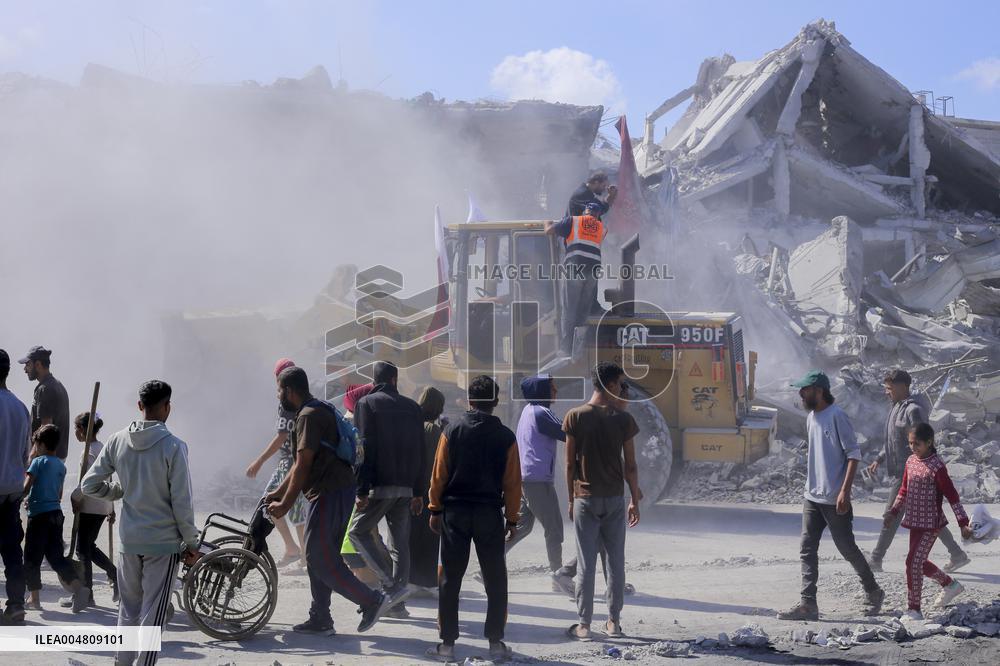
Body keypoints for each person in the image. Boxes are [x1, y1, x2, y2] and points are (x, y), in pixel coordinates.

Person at [81, 380, 201, 666]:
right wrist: (192, 542)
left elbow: (89, 485)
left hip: (129, 542)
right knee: (152, 617)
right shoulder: (174, 446)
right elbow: (182, 503)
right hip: (163, 545)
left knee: (128, 610)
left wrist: (119, 491)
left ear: (139, 406)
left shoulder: (117, 440)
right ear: (167, 407)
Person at [266, 366, 391, 636]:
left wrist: (285, 505)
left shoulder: (308, 416)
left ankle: (371, 600)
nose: (278, 396)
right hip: (334, 492)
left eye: (279, 390)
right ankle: (321, 617)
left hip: (330, 493)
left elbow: (303, 465)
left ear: (289, 390)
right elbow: (298, 464)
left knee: (319, 557)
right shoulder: (316, 409)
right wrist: (278, 493)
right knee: (318, 556)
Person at [426, 375, 520, 662]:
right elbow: (513, 483)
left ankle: (447, 646)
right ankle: (495, 644)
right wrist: (512, 519)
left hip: (455, 513)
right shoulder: (506, 436)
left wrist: (434, 509)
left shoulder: (452, 431)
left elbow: (439, 474)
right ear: (496, 401)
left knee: (450, 578)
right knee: (495, 578)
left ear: (469, 400)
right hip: (489, 514)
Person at [778, 370, 885, 621]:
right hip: (812, 496)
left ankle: (873, 590)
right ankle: (808, 604)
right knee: (807, 548)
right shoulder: (811, 417)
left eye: (805, 390)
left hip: (835, 497)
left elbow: (853, 455)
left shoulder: (837, 416)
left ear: (819, 390)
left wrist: (844, 492)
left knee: (847, 548)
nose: (800, 394)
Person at [563, 362, 642, 641]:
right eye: (620, 383)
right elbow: (630, 466)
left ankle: (584, 625)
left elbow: (569, 464)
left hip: (585, 499)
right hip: (614, 500)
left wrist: (571, 499)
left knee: (586, 564)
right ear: (610, 385)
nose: (623, 389)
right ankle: (614, 623)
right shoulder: (624, 420)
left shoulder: (575, 416)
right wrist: (634, 499)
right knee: (615, 562)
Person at [868, 369, 969, 573]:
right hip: (903, 471)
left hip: (911, 472)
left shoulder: (913, 410)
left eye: (890, 388)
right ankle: (957, 554)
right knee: (928, 516)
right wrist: (879, 458)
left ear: (902, 387)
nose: (887, 392)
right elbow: (893, 440)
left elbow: (922, 441)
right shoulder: (897, 407)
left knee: (892, 514)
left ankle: (876, 559)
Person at [348, 361, 425, 610]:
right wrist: (418, 491)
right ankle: (397, 605)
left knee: (357, 532)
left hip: (379, 486)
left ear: (375, 381)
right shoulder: (413, 407)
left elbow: (363, 449)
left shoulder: (366, 404)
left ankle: (392, 587)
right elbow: (421, 450)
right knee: (399, 545)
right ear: (394, 379)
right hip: (406, 487)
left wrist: (361, 489)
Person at [885, 423, 973, 621]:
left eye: (917, 444)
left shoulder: (937, 466)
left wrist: (963, 523)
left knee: (912, 563)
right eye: (910, 443)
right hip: (914, 521)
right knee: (918, 562)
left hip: (931, 524)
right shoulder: (910, 461)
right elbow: (904, 490)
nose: (913, 447)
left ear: (929, 442)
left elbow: (952, 495)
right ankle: (950, 585)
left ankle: (914, 609)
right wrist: (893, 512)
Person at [246, 358, 306, 569]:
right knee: (297, 508)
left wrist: (259, 461)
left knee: (268, 502)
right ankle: (301, 553)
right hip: (300, 460)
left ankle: (294, 549)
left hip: (288, 463)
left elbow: (282, 436)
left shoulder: (285, 402)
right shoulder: (301, 399)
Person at [23, 425, 91, 612]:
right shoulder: (61, 466)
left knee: (32, 557)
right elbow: (58, 495)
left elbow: (26, 487)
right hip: (55, 514)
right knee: (55, 557)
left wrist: (17, 498)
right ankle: (78, 588)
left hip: (39, 516)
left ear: (41, 444)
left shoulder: (37, 462)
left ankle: (34, 599)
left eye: (36, 444)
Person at [505, 375, 565, 576]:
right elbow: (566, 432)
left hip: (525, 478)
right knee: (554, 528)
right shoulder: (542, 412)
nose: (555, 391)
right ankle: (558, 574)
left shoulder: (528, 410)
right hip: (538, 480)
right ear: (542, 391)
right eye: (552, 388)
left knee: (521, 527)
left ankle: (488, 565)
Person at [63, 412, 118, 608]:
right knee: (88, 547)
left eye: (76, 428)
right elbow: (109, 478)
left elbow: (89, 480)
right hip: (102, 504)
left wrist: (75, 496)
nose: (75, 432)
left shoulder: (89, 451)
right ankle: (113, 575)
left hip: (90, 504)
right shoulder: (102, 447)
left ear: (82, 429)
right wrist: (111, 506)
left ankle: (86, 593)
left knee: (82, 550)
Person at [546, 202, 607, 355]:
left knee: (569, 309)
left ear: (585, 211)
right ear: (597, 215)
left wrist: (547, 222)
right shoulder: (601, 228)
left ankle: (565, 349)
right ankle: (577, 349)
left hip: (576, 268)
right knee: (583, 312)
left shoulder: (573, 220)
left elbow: (549, 231)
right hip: (592, 272)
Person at [0, 349, 30, 625]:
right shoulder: (20, 407)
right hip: (12, 489)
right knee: (12, 551)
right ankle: (17, 605)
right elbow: (25, 455)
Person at [409, 386, 446, 595]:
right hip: (427, 490)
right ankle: (428, 582)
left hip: (410, 489)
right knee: (429, 536)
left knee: (411, 536)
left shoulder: (411, 425)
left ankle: (410, 580)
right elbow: (437, 465)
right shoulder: (434, 430)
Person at [19, 346, 70, 460]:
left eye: (27, 364)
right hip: (55, 457)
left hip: (47, 458)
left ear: (38, 364)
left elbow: (46, 426)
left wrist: (32, 455)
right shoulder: (57, 385)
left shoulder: (45, 389)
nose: (25, 369)